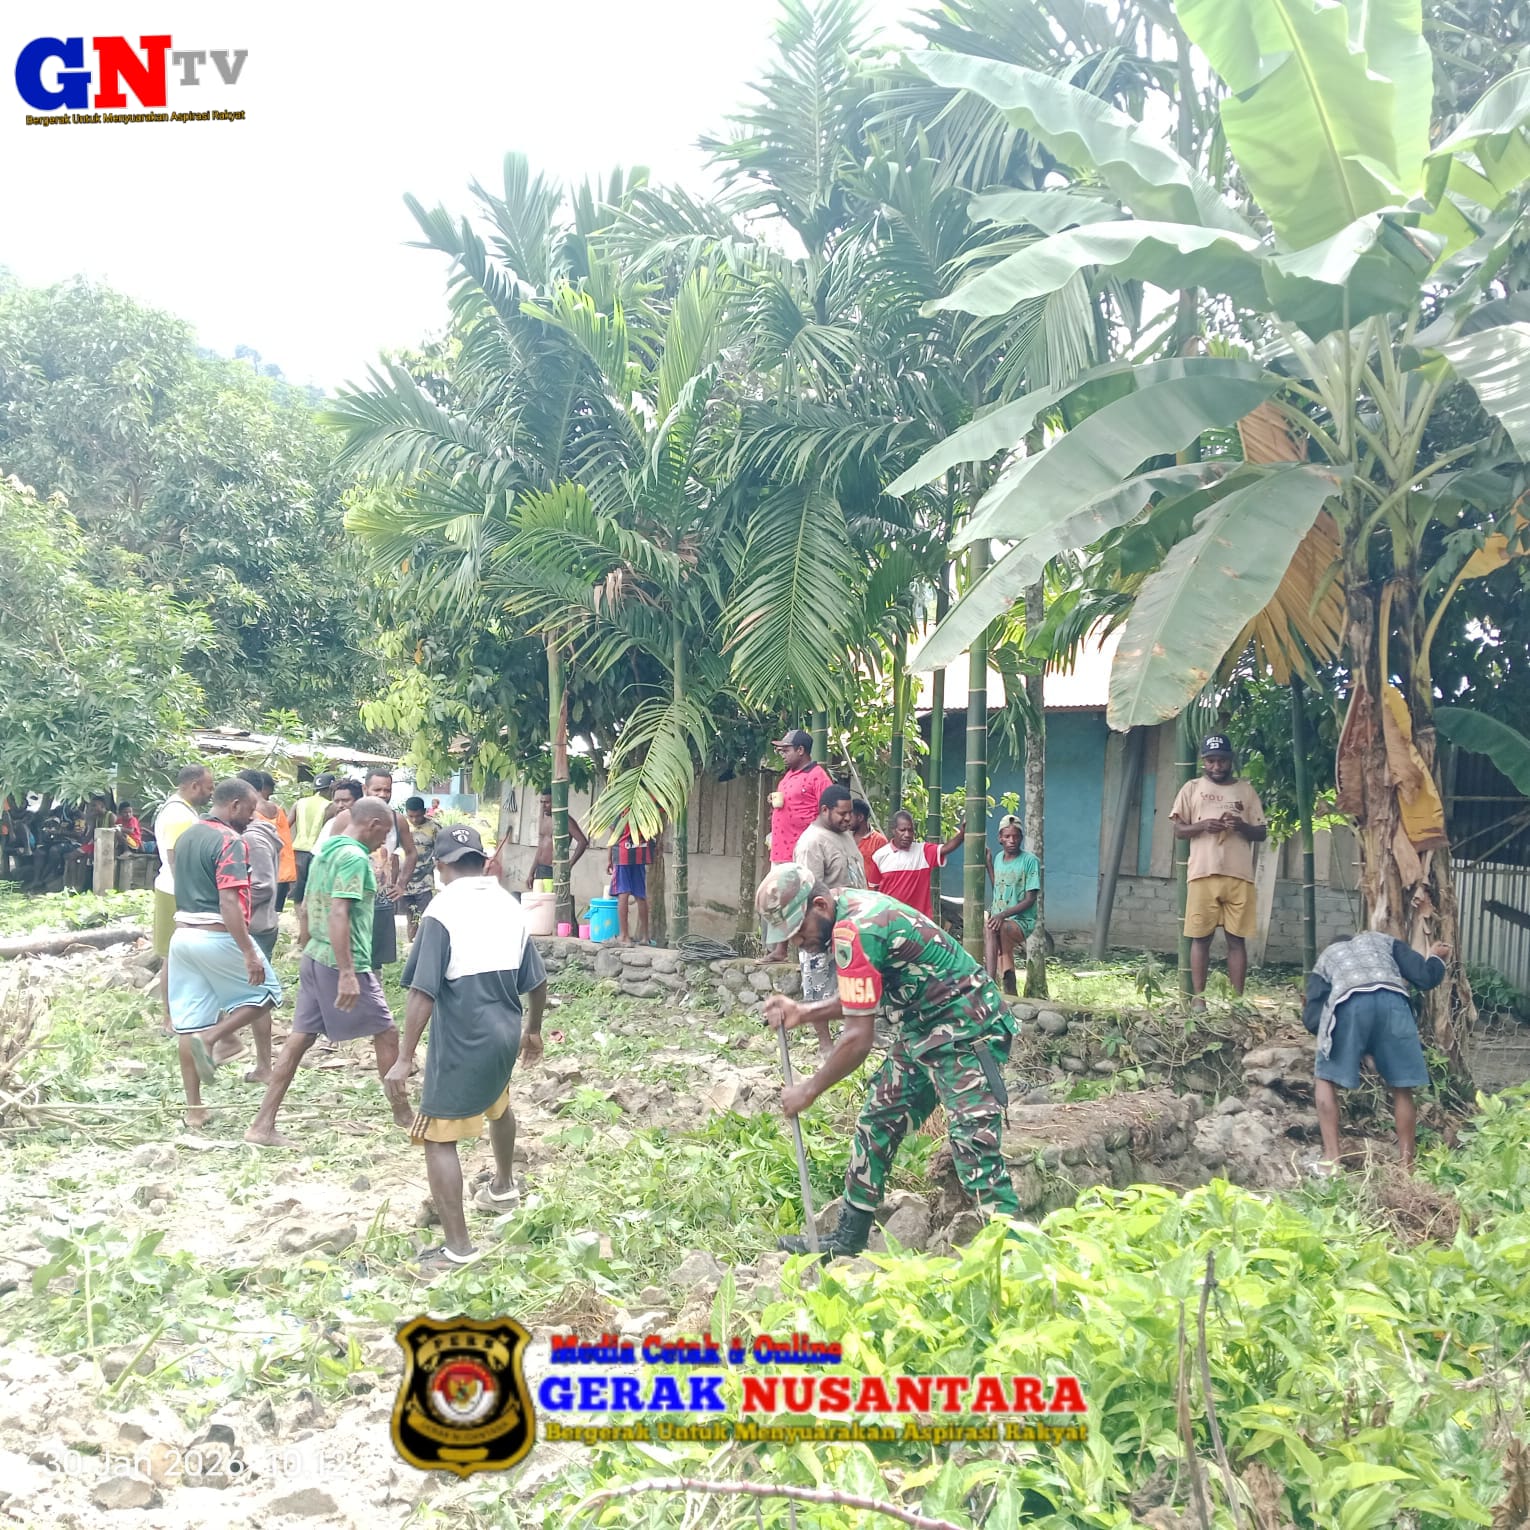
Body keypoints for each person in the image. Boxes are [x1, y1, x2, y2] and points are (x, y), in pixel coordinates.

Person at [756, 864, 1020, 1258]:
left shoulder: (856, 928)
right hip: (925, 1028)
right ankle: (849, 1236)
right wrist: (804, 1012)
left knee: (973, 1146)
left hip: (968, 1029)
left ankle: (1017, 1262)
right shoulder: (848, 915)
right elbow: (861, 996)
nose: (799, 943)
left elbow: (858, 1039)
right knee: (877, 1119)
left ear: (820, 905)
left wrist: (807, 1091)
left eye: (799, 931)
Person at [385, 826, 548, 1270]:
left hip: (463, 1039)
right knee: (498, 1105)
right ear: (481, 860)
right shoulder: (509, 903)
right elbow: (537, 980)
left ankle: (458, 1249)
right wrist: (532, 1031)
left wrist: (403, 1058)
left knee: (436, 1138)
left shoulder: (442, 909)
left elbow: (422, 990)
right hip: (504, 1033)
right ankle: (503, 1187)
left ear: (440, 867)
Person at [244, 799, 415, 1147]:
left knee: (299, 1039)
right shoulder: (353, 858)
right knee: (386, 1032)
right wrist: (348, 972)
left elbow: (305, 905)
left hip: (315, 956)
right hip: (341, 960)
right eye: (385, 832)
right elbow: (340, 913)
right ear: (375, 824)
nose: (386, 841)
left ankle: (262, 1125)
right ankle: (405, 1115)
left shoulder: (325, 852)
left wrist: (308, 943)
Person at [166, 777, 281, 1127]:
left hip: (182, 937)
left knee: (189, 1024)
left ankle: (194, 1110)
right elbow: (229, 901)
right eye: (248, 810)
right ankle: (214, 1037)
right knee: (267, 995)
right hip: (216, 935)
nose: (251, 818)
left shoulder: (187, 835)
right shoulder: (230, 840)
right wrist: (248, 950)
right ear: (233, 806)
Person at [1305, 928, 1450, 1175]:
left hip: (1348, 1002)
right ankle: (1407, 1166)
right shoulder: (1383, 941)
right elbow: (1425, 978)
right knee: (1402, 1088)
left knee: (1325, 1077)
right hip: (1394, 1002)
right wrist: (1436, 958)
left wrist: (1347, 1042)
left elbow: (1312, 1019)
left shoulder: (1326, 958)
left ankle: (1331, 1160)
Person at [1171, 734, 1268, 1008]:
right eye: (1211, 761)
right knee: (1200, 938)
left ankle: (1238, 1002)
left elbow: (1261, 832)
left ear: (1230, 761)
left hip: (1239, 875)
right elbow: (1178, 830)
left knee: (1236, 940)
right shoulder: (1191, 788)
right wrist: (1203, 826)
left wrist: (1241, 827)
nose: (1217, 766)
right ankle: (1199, 1001)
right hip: (1202, 874)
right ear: (1204, 761)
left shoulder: (1246, 791)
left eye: (1222, 761)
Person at [790, 785, 866, 1051]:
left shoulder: (844, 835)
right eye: (842, 814)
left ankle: (852, 1038)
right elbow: (808, 893)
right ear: (825, 810)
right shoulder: (812, 843)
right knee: (816, 983)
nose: (849, 819)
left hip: (850, 924)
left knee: (849, 986)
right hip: (821, 929)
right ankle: (825, 1043)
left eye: (850, 814)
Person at [152, 765, 215, 1031]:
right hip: (176, 890)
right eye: (209, 787)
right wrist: (190, 892)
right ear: (194, 785)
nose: (211, 793)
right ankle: (170, 1018)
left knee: (177, 955)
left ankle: (182, 1012)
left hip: (176, 889)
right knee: (171, 955)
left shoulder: (181, 810)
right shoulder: (179, 815)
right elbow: (175, 856)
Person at [765, 729, 834, 958]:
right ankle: (780, 949)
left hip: (802, 851)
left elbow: (829, 810)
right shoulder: (788, 776)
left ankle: (807, 952)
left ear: (801, 750)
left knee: (802, 902)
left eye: (786, 750)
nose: (782, 754)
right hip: (780, 849)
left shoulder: (818, 776)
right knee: (778, 900)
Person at [871, 809, 967, 919]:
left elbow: (945, 849)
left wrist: (962, 833)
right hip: (890, 921)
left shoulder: (923, 851)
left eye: (910, 830)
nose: (907, 834)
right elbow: (874, 891)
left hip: (919, 921)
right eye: (902, 830)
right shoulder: (879, 856)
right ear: (893, 830)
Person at [984, 814, 1041, 997]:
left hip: (1021, 921)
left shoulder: (1029, 861)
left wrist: (1001, 915)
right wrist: (989, 866)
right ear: (1000, 838)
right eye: (1007, 836)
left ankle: (989, 982)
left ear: (1021, 838)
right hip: (1001, 920)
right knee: (1003, 955)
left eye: (1015, 836)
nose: (1011, 840)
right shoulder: (999, 858)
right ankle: (1010, 993)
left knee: (992, 928)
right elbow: (998, 888)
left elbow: (1030, 898)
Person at [243, 797, 285, 963]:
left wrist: (230, 908)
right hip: (260, 922)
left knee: (254, 985)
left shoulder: (252, 839)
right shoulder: (254, 836)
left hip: (256, 926)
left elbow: (262, 886)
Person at [290, 773, 337, 904]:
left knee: (298, 896)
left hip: (298, 853)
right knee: (316, 894)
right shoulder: (331, 806)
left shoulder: (299, 803)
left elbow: (285, 826)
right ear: (331, 789)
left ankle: (301, 923)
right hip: (318, 854)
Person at [608, 815, 655, 946]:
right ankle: (645, 937)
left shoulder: (619, 809)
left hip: (623, 854)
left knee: (623, 893)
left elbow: (613, 836)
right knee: (640, 894)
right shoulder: (643, 807)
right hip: (640, 853)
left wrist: (609, 859)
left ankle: (624, 936)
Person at [528, 791, 587, 887]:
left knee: (552, 900)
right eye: (541, 802)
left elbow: (583, 842)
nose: (543, 806)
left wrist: (569, 865)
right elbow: (540, 848)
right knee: (540, 900)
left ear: (555, 802)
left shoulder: (565, 820)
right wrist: (531, 872)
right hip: (540, 869)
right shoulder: (544, 818)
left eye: (547, 802)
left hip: (554, 870)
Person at [400, 796, 439, 939]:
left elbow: (440, 851)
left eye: (418, 816)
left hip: (425, 881)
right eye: (411, 816)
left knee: (427, 915)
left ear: (424, 811)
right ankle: (411, 945)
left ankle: (425, 944)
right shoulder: (402, 826)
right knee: (410, 916)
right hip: (404, 881)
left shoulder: (434, 828)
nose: (414, 820)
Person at [850, 798, 887, 889]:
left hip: (870, 896)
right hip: (847, 894)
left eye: (850, 816)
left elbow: (884, 874)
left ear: (860, 817)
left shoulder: (879, 841)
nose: (846, 819)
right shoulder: (844, 838)